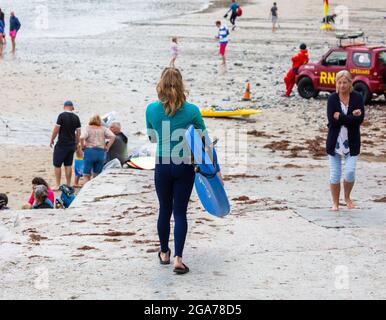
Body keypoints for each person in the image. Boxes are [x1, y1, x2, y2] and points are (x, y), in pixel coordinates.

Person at [146, 68, 223, 275]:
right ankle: (178, 259)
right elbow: (206, 143)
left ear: (161, 85)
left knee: (164, 209)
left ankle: (164, 253)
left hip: (162, 165)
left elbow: (152, 139)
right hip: (184, 166)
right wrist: (216, 172)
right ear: (181, 85)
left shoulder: (151, 109)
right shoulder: (192, 110)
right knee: (180, 212)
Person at [326, 70, 364, 211]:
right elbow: (332, 121)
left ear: (350, 83)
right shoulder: (332, 99)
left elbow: (359, 120)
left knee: (349, 172)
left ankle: (347, 197)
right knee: (335, 175)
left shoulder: (357, 98)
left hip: (352, 142)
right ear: (337, 83)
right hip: (334, 142)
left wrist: (340, 117)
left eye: (345, 82)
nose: (342, 85)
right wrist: (350, 116)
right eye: (340, 82)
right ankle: (335, 203)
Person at [50, 101, 81, 190]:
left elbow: (56, 129)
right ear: (72, 107)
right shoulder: (76, 117)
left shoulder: (62, 116)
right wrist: (77, 143)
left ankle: (58, 184)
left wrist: (52, 139)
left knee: (57, 164)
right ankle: (68, 184)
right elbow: (78, 132)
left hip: (62, 143)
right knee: (68, 165)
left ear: (64, 107)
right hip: (71, 144)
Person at [80, 115, 115, 183]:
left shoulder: (88, 128)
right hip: (100, 152)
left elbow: (81, 137)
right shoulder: (103, 128)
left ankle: (87, 190)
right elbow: (113, 136)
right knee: (97, 174)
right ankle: (94, 190)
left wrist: (82, 146)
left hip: (90, 152)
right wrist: (108, 147)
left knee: (86, 174)